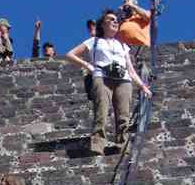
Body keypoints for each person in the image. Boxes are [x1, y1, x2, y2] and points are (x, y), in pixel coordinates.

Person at [65, 8, 151, 155]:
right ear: (102, 25)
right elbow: (70, 54)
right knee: (101, 112)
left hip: (123, 80)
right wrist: (88, 66)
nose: (115, 21)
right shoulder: (94, 41)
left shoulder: (123, 45)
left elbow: (130, 70)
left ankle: (122, 146)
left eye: (116, 20)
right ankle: (97, 146)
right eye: (110, 19)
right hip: (102, 77)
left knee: (124, 115)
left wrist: (143, 86)